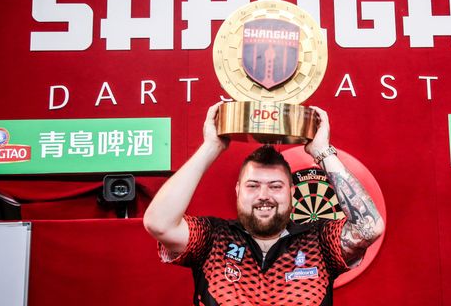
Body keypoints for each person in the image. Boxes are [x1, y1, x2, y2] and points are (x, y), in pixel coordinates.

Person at [143, 102, 385, 305]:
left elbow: (369, 227)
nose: (264, 195)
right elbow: (159, 223)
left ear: (292, 192)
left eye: (275, 186)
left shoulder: (319, 240)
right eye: (253, 185)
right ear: (238, 190)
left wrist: (322, 151)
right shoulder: (212, 238)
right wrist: (211, 147)